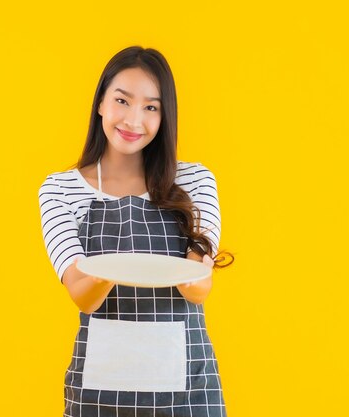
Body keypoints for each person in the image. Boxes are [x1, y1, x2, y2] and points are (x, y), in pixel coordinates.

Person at [38, 45, 234, 417]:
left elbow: (199, 288)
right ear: (100, 103)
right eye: (122, 101)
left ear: (165, 116)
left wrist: (194, 270)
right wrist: (124, 267)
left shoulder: (195, 181)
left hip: (187, 389)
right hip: (100, 392)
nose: (133, 120)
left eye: (151, 107)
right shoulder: (60, 190)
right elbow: (84, 296)